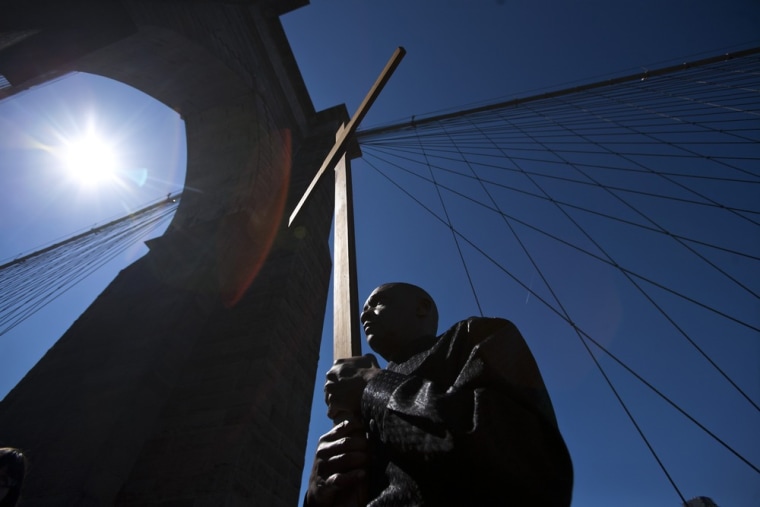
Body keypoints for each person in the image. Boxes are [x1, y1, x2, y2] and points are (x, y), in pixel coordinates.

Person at [305, 282, 573, 506]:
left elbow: (526, 463)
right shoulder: (356, 403)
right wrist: (316, 496)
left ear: (422, 307)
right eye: (363, 309)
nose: (365, 314)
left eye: (378, 302)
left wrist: (373, 384)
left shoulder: (473, 337)